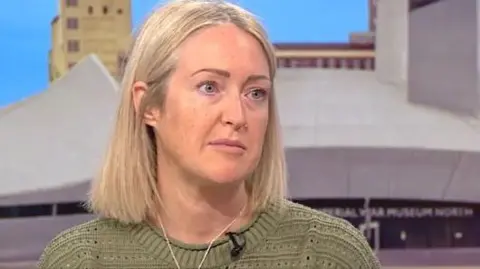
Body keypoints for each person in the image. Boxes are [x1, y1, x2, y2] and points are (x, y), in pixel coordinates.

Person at [39, 0, 381, 268]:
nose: (237, 116)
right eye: (209, 87)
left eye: (255, 93)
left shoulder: (330, 255)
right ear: (147, 105)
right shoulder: (80, 260)